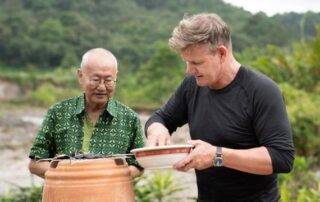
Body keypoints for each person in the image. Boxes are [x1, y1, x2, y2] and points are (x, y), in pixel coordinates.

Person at [145, 13, 294, 201]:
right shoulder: (192, 85)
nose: (189, 70)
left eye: (196, 63)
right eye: (187, 62)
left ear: (222, 53)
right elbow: (161, 118)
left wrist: (217, 155)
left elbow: (282, 157)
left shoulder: (263, 91)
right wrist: (157, 130)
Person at [29, 48, 144, 179]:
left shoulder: (130, 118)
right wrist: (67, 174)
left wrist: (116, 176)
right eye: (95, 79)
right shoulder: (58, 113)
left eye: (108, 80)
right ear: (80, 76)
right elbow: (35, 163)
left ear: (116, 77)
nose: (101, 87)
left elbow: (139, 164)